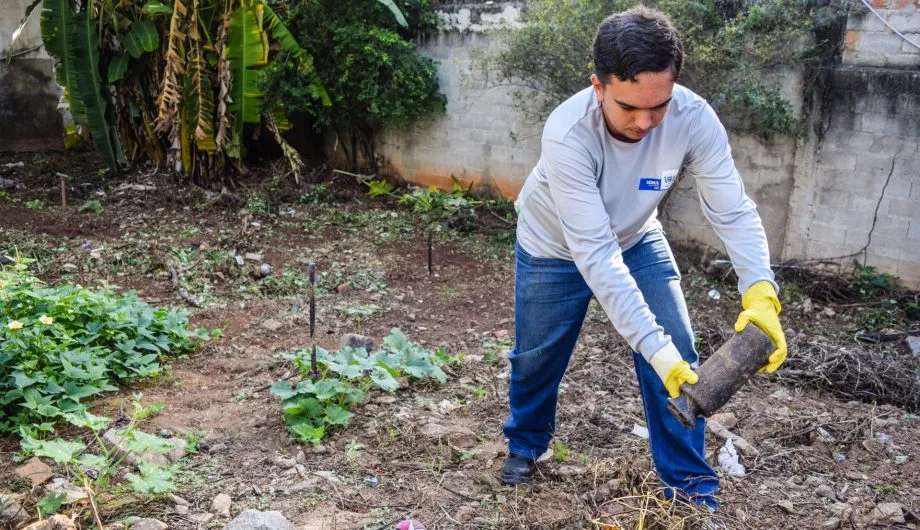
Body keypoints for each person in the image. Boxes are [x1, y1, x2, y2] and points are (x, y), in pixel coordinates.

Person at [501, 5, 788, 511]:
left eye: (659, 106)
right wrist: (653, 351)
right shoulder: (568, 134)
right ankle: (526, 444)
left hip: (636, 237)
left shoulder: (693, 119)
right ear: (598, 85)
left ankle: (688, 483)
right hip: (554, 247)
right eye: (629, 107)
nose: (645, 122)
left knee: (679, 348)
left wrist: (760, 288)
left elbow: (733, 209)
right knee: (536, 358)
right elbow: (596, 256)